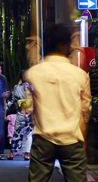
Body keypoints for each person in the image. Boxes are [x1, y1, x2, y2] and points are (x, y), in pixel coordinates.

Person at [25, 24, 91, 182]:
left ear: (48, 43)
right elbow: (85, 111)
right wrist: (83, 138)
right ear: (67, 45)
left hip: (43, 138)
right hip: (72, 139)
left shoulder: (33, 73)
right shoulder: (80, 75)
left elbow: (28, 108)